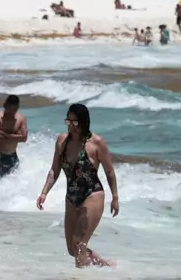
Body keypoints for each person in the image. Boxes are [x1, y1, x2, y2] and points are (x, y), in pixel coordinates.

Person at [37, 103, 119, 268]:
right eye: (69, 121)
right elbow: (54, 170)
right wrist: (44, 192)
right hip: (71, 197)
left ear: (84, 122)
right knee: (72, 249)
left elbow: (110, 172)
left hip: (92, 194)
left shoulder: (96, 143)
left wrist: (115, 198)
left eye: (75, 123)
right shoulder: (62, 141)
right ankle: (104, 265)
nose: (71, 126)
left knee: (79, 242)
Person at [0, 95, 27, 181]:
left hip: (12, 156)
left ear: (17, 108)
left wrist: (6, 135)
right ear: (4, 105)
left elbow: (24, 138)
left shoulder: (21, 119)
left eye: (14, 110)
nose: (11, 112)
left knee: (13, 183)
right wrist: (16, 136)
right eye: (9, 109)